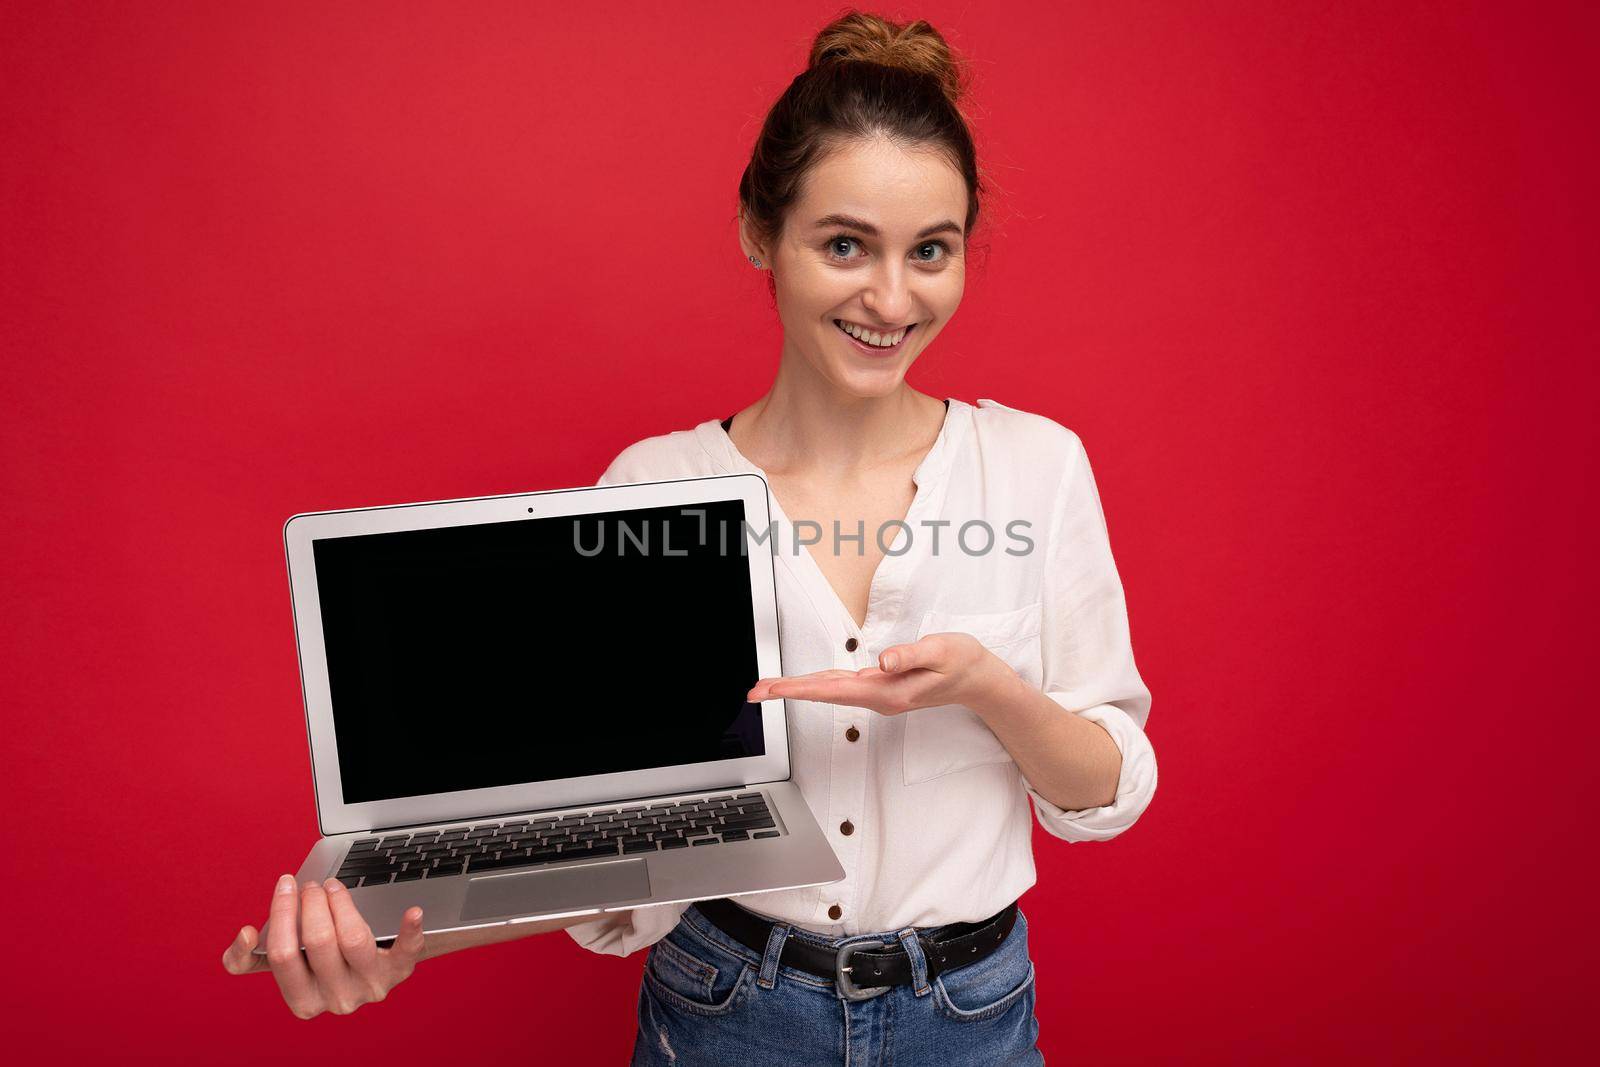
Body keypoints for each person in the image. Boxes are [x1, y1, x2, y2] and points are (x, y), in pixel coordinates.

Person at [222, 11, 1157, 1064]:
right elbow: (618, 860)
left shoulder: (1035, 467)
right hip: (729, 1011)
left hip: (973, 1015)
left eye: (930, 251)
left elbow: (1103, 789)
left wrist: (987, 686)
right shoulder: (658, 487)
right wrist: (397, 945)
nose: (892, 299)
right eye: (844, 244)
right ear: (761, 232)